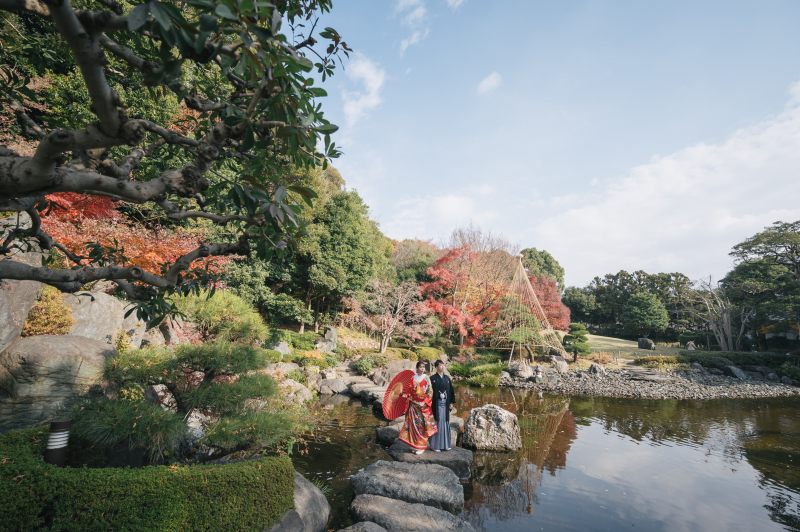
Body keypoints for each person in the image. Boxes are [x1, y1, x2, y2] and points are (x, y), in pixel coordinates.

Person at [397, 360, 438, 455]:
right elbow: (410, 391)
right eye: (421, 367)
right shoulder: (413, 378)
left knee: (421, 426)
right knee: (413, 426)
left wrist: (424, 402)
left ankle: (421, 447)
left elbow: (430, 392)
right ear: (417, 368)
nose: (422, 369)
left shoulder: (426, 378)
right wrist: (406, 395)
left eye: (423, 367)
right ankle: (413, 446)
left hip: (422, 406)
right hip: (413, 405)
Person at [429, 359, 456, 452]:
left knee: (445, 423)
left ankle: (446, 445)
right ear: (436, 367)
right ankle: (435, 446)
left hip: (445, 403)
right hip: (436, 404)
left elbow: (451, 390)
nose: (442, 366)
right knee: (438, 423)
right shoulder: (432, 378)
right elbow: (429, 392)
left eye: (443, 365)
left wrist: (451, 403)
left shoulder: (447, 378)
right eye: (440, 365)